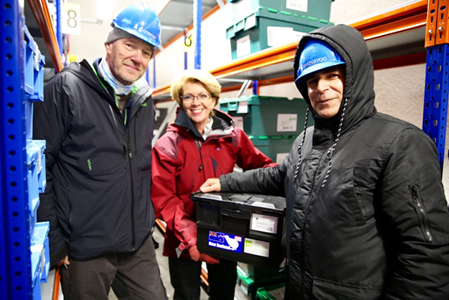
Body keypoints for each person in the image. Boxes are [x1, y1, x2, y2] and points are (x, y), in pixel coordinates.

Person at [200, 24, 449, 299]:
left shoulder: (400, 143)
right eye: (311, 80)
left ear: (355, 76)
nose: (321, 88)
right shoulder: (306, 140)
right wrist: (225, 182)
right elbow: (278, 177)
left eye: (332, 75)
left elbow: (426, 258)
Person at [33, 3, 167, 299]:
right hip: (85, 251)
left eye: (146, 52)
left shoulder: (144, 100)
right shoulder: (65, 90)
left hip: (137, 245)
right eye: (130, 44)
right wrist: (55, 242)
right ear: (109, 44)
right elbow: (39, 170)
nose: (137, 57)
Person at [151, 69, 277, 300]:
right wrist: (191, 239)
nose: (195, 102)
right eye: (188, 96)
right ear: (180, 101)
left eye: (203, 95)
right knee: (186, 294)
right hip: (181, 235)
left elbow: (265, 170)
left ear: (214, 100)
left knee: (223, 291)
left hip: (224, 230)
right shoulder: (167, 144)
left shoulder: (232, 136)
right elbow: (164, 198)